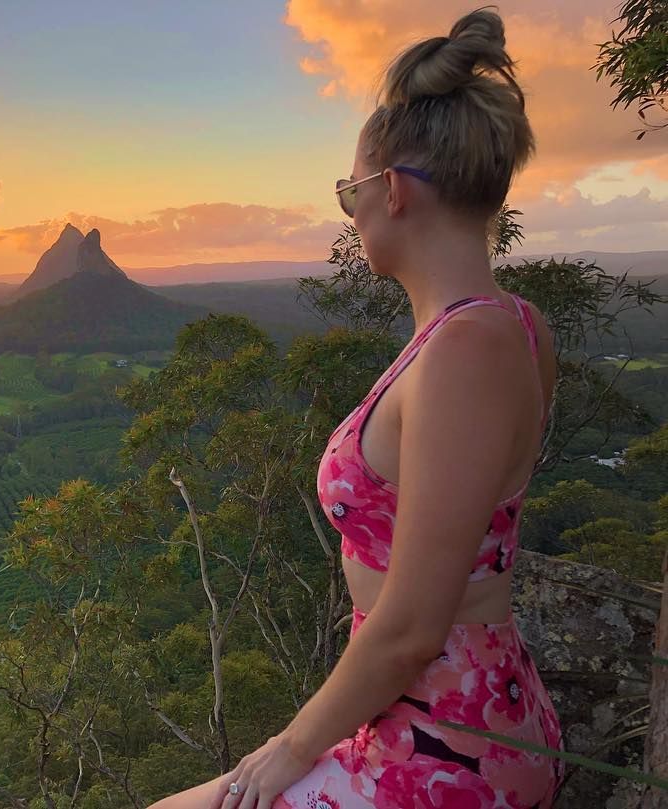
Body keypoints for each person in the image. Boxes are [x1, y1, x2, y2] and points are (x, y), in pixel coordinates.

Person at [147, 7, 564, 808]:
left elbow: (411, 628)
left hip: (450, 742)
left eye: (349, 193)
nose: (351, 210)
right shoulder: (511, 325)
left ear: (394, 192)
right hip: (443, 716)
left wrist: (287, 750)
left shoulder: (466, 351)